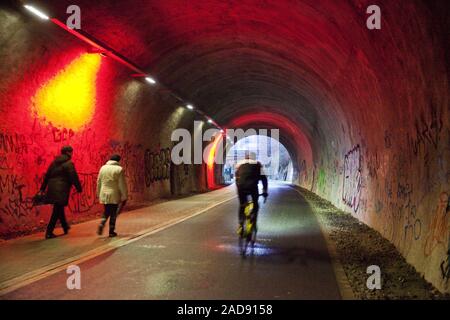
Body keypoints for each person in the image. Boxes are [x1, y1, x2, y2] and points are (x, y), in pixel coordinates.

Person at [40, 145, 82, 239]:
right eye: (71, 152)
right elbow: (73, 176)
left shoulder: (53, 163)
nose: (72, 154)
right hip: (62, 189)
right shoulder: (69, 163)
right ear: (68, 152)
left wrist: (42, 189)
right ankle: (49, 232)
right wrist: (79, 188)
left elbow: (47, 176)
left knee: (59, 207)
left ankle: (65, 227)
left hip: (52, 189)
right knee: (57, 210)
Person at [235, 151, 268, 237]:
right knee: (255, 204)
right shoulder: (257, 164)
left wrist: (239, 187)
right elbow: (264, 179)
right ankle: (253, 220)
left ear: (245, 157)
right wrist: (264, 191)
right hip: (253, 186)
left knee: (242, 205)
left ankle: (241, 225)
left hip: (241, 187)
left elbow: (237, 178)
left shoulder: (240, 164)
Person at [96, 154, 128, 237]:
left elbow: (99, 181)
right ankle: (111, 231)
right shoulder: (119, 169)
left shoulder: (102, 168)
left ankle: (102, 222)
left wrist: (98, 193)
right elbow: (122, 184)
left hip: (104, 193)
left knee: (107, 210)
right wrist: (124, 196)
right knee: (113, 212)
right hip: (114, 193)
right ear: (118, 161)